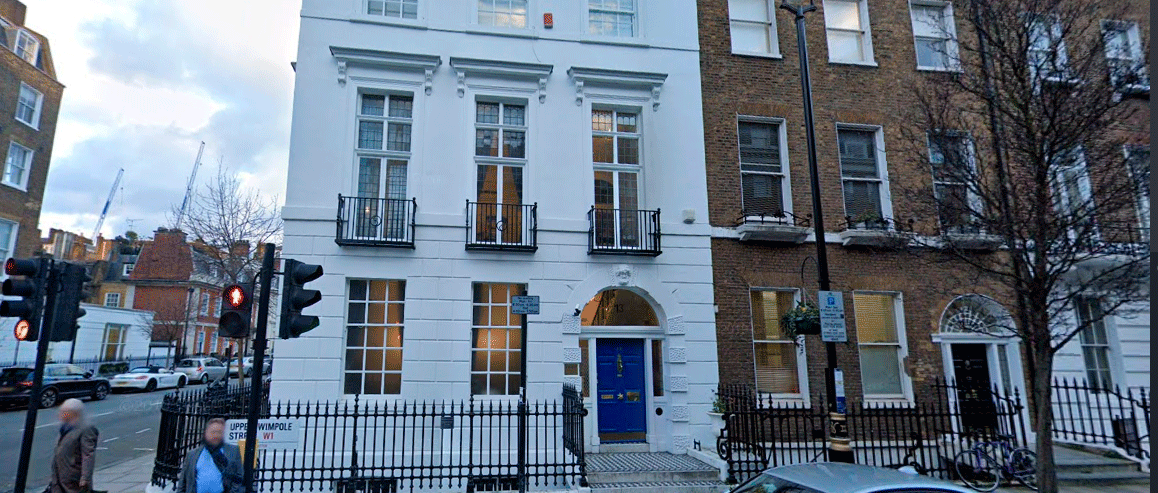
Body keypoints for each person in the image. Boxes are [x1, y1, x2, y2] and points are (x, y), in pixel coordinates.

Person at [177, 418, 243, 493]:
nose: (216, 435)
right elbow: (182, 483)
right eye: (213, 432)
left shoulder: (233, 451)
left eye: (219, 432)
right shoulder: (192, 454)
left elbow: (239, 478)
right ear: (206, 433)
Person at [50, 398, 99, 493]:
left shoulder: (86, 429)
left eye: (65, 412)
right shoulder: (65, 427)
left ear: (75, 413)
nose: (61, 414)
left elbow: (88, 454)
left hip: (74, 478)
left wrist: (85, 478)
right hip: (59, 476)